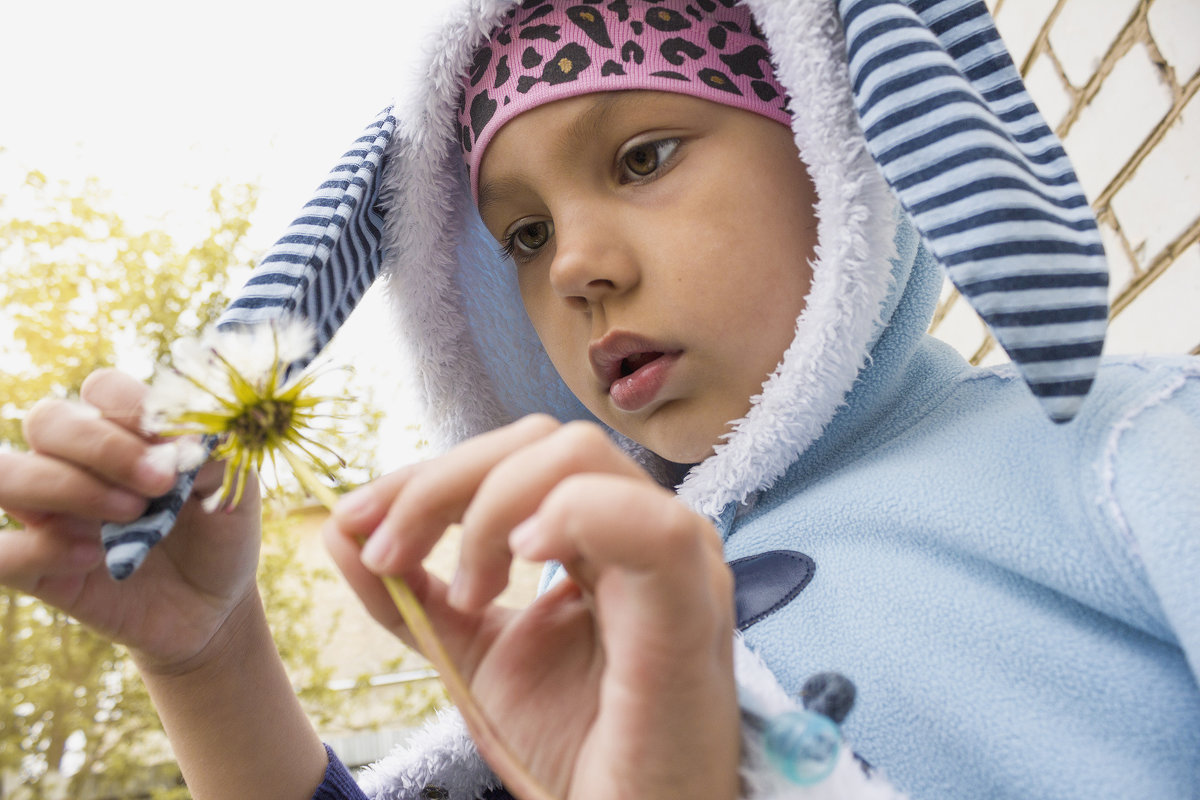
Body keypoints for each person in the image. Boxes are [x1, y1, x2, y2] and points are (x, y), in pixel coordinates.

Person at [1, 1, 1197, 799]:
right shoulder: (569, 651)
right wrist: (212, 661)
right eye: (521, 232)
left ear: (837, 145)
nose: (573, 265)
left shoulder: (1128, 452)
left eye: (642, 157)